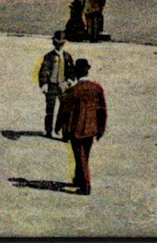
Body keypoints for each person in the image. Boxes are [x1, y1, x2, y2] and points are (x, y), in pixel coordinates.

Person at [56, 58, 106, 194]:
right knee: (85, 155)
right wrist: (101, 129)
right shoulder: (97, 88)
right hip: (91, 128)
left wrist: (58, 127)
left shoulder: (74, 90)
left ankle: (85, 186)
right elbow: (102, 110)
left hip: (75, 129)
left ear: (76, 73)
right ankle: (78, 178)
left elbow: (64, 111)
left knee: (80, 156)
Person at [37, 31, 74, 137]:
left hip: (63, 86)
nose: (59, 46)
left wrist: (69, 82)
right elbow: (43, 71)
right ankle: (48, 130)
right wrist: (44, 84)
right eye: (57, 43)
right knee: (50, 109)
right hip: (52, 85)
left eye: (61, 43)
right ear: (54, 43)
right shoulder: (48, 56)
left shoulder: (67, 57)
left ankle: (59, 129)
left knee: (64, 109)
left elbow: (71, 71)